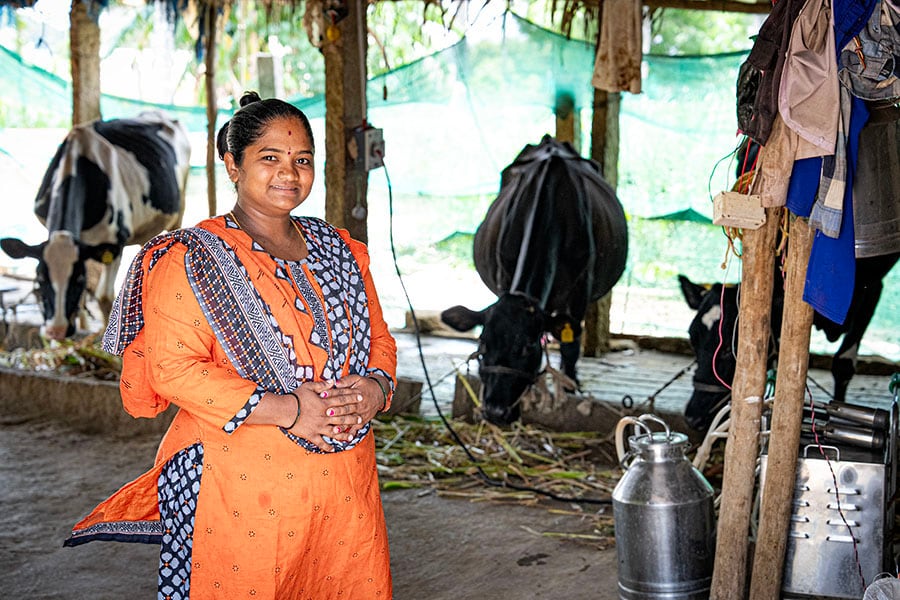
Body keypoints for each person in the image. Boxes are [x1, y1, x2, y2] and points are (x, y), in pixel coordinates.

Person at [65, 91, 398, 599]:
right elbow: (173, 369)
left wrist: (376, 388)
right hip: (238, 490)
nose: (289, 173)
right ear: (232, 165)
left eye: (302, 160)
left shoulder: (339, 248)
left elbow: (378, 338)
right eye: (270, 158)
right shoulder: (192, 259)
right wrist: (290, 409)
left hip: (345, 490)